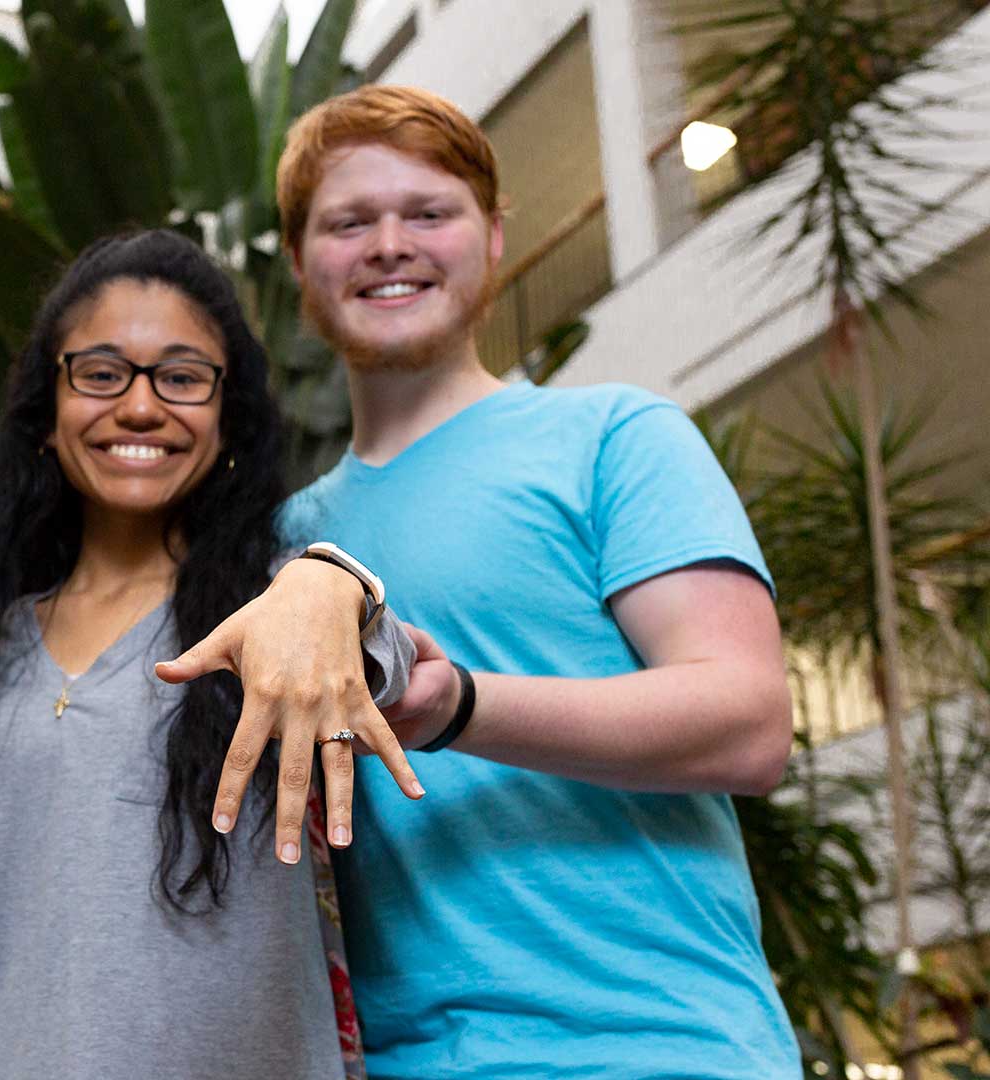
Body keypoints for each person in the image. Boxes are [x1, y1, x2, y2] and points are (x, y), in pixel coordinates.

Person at [155, 85, 801, 1077]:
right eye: (349, 222)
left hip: (656, 1049)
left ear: (493, 237)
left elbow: (750, 723)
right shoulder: (277, 548)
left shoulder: (616, 439)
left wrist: (460, 706)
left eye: (428, 212)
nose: (388, 244)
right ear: (297, 264)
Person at [0, 229, 422, 1080]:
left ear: (226, 416)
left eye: (181, 377)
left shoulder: (274, 609)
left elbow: (384, 661)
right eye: (99, 372)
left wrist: (330, 584)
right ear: (47, 414)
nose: (138, 407)